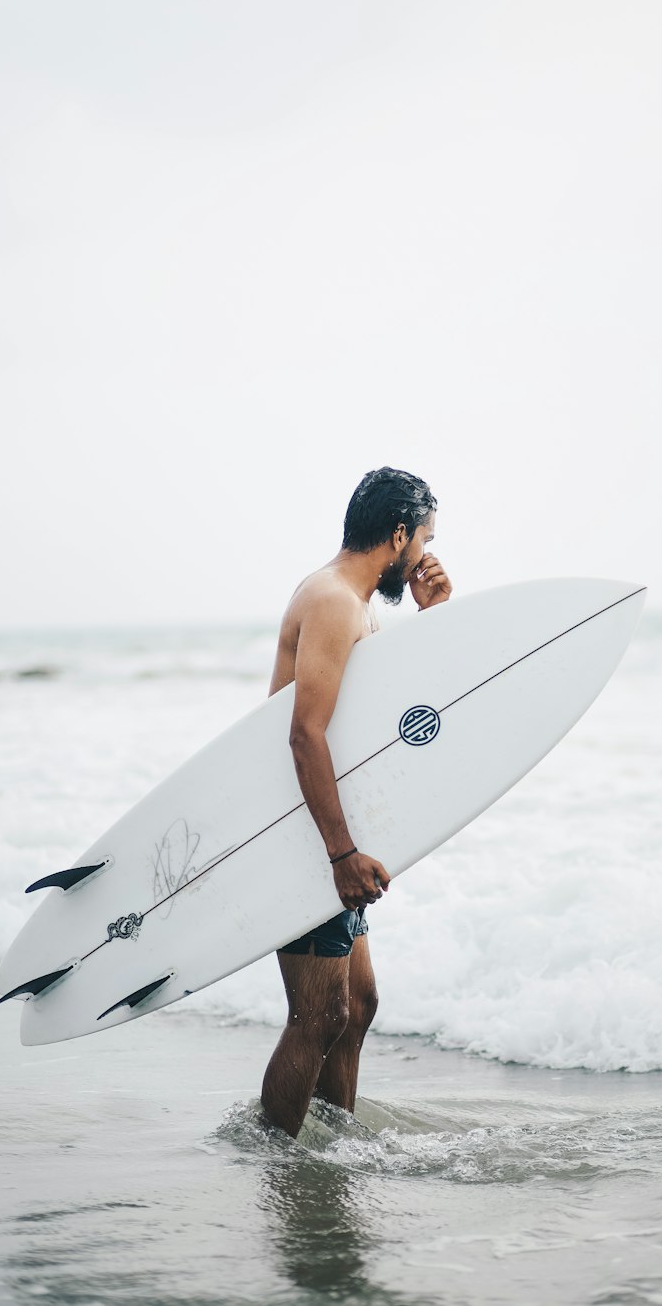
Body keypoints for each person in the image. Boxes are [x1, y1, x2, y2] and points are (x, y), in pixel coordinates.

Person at [260, 467, 452, 1137]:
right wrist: (340, 854)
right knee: (317, 1018)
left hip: (327, 830)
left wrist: (436, 620)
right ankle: (276, 1161)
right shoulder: (335, 601)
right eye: (424, 538)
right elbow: (304, 734)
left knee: (359, 1003)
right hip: (302, 835)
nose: (427, 553)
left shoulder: (358, 601)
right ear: (399, 533)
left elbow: (388, 718)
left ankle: (333, 1147)